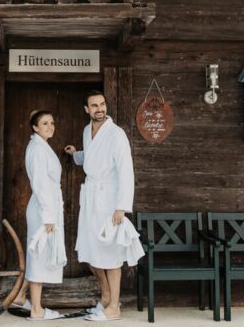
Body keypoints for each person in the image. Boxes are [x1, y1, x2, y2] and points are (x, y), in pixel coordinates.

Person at [64, 90, 141, 322]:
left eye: (102, 104)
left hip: (109, 200)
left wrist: (121, 206)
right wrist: (76, 155)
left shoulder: (116, 134)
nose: (100, 109)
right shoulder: (87, 131)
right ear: (86, 109)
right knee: (89, 251)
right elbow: (93, 157)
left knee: (110, 253)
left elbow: (126, 171)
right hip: (90, 199)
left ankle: (114, 307)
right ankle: (106, 296)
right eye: (94, 105)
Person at [12, 110, 66, 321]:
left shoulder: (42, 146)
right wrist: (49, 216)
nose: (50, 126)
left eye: (52, 122)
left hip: (49, 207)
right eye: (44, 123)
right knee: (39, 257)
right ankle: (36, 310)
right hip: (44, 210)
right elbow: (40, 184)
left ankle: (20, 296)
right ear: (35, 127)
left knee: (39, 254)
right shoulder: (36, 149)